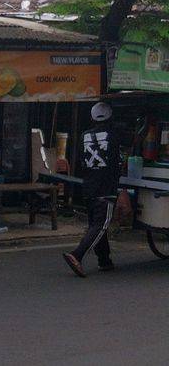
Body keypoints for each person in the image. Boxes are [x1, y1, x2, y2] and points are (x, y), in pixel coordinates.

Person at [63, 102, 121, 277]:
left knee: (96, 224)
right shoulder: (113, 136)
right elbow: (117, 162)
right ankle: (77, 255)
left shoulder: (84, 135)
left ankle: (104, 260)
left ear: (92, 118)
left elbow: (81, 160)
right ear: (110, 117)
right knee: (100, 225)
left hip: (88, 187)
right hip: (105, 187)